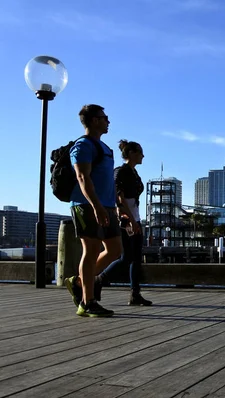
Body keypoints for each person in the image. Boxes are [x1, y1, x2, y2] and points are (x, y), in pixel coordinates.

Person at [64, 104, 122, 317]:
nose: (108, 121)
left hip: (106, 206)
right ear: (95, 120)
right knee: (92, 249)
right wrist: (96, 206)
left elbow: (108, 180)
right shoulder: (82, 146)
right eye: (104, 117)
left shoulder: (105, 148)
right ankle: (87, 302)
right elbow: (82, 178)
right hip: (86, 205)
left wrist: (114, 206)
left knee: (115, 250)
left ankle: (79, 281)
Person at [98, 140, 152, 306]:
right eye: (140, 152)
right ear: (132, 153)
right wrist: (129, 220)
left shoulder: (134, 172)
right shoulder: (120, 171)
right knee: (126, 257)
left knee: (136, 258)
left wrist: (137, 221)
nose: (143, 155)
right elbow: (119, 198)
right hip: (124, 219)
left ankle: (135, 294)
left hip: (135, 217)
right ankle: (98, 280)